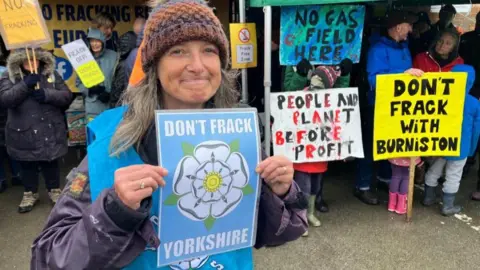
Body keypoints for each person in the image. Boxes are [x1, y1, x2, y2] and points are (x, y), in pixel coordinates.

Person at [30, 1, 307, 269]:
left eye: (209, 50)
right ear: (154, 67)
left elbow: (281, 231)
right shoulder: (112, 143)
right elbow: (48, 258)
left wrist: (282, 193)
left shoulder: (238, 136)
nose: (197, 65)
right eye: (178, 51)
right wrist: (113, 213)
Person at [0, 48, 73, 213]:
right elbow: (5, 99)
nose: (31, 63)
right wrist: (25, 85)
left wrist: (47, 94)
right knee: (27, 164)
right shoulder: (9, 75)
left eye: (34, 59)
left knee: (50, 161)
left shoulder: (51, 74)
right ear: (19, 60)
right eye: (27, 60)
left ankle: (54, 190)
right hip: (23, 130)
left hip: (49, 128)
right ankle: (30, 193)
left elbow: (67, 96)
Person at [362, 10, 422, 205]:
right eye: (409, 25)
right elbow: (374, 80)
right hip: (379, 107)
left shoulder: (404, 47)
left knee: (394, 145)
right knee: (372, 146)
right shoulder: (377, 49)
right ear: (398, 27)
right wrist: (404, 73)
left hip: (400, 107)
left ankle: (385, 178)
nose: (411, 29)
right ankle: (362, 186)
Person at [423, 65, 480, 216]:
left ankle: (428, 197)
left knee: (434, 170)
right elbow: (476, 131)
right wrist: (471, 150)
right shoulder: (474, 103)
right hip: (461, 147)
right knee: (453, 175)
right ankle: (447, 206)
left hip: (441, 144)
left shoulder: (441, 97)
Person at [76, 28, 118, 122]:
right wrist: (90, 90)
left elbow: (120, 79)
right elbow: (78, 83)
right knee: (94, 135)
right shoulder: (84, 59)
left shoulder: (114, 56)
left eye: (97, 41)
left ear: (103, 41)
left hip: (110, 105)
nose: (94, 44)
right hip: (92, 107)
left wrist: (111, 94)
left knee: (109, 135)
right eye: (92, 41)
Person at [110, 31, 137, 108]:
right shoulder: (135, 60)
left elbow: (117, 90)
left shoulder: (123, 64)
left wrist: (113, 107)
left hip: (122, 106)